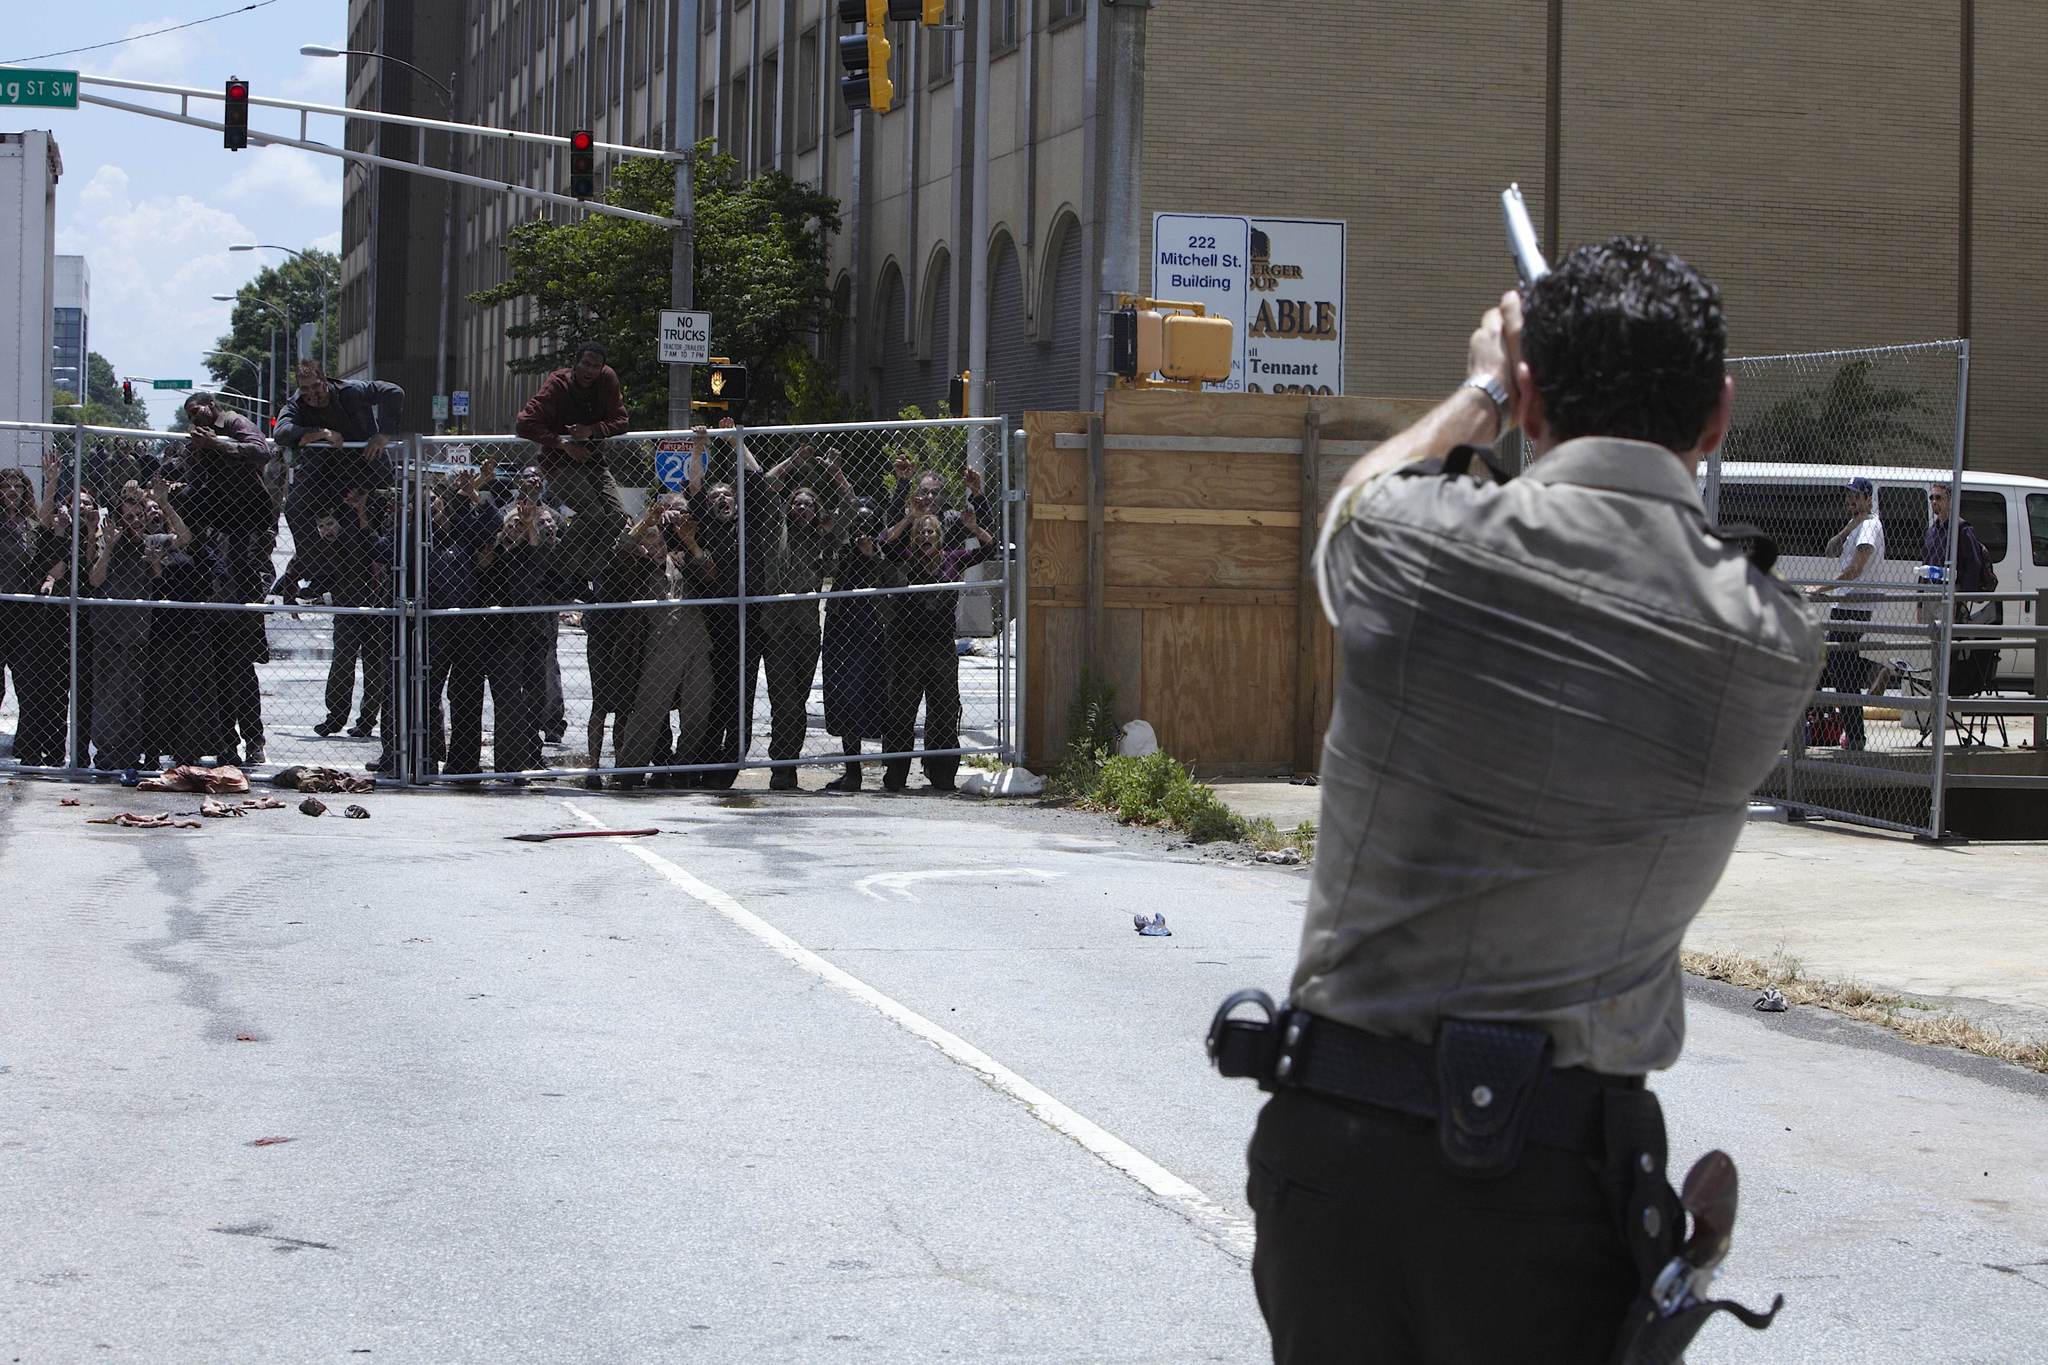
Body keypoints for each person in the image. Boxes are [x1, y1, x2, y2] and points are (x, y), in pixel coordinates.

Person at [1226, 238, 1821, 1363]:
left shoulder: (1409, 541)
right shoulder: (1767, 642)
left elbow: (1344, 515)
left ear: (1534, 395)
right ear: (1718, 417)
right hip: (1560, 1179)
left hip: (1341, 1161)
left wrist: (1480, 391)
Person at [177, 392, 277, 764]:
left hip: (245, 548)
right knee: (214, 666)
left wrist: (217, 442)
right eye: (189, 414)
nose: (195, 417)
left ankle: (254, 741)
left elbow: (261, 449)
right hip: (213, 555)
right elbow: (190, 485)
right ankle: (224, 745)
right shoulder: (197, 446)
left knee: (240, 663)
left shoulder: (232, 424)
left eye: (198, 409)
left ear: (212, 405)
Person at [879, 506, 996, 792]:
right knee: (902, 710)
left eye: (931, 532)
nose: (925, 537)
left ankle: (941, 773)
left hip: (941, 646)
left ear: (940, 537)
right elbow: (886, 545)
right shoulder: (907, 560)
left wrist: (974, 527)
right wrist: (908, 518)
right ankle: (896, 774)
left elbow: (989, 549)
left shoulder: (952, 560)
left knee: (944, 709)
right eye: (920, 533)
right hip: (909, 647)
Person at [89, 480, 190, 776]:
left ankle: (130, 754)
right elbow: (95, 580)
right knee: (108, 697)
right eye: (128, 517)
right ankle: (107, 754)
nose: (133, 522)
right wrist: (107, 547)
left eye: (138, 517)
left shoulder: (151, 542)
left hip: (137, 630)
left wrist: (165, 504)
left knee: (133, 696)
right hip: (108, 629)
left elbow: (184, 537)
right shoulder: (108, 540)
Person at [513, 340, 631, 591]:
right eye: (586, 364)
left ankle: (582, 576)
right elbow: (524, 423)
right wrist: (563, 444)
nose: (590, 371)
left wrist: (592, 431)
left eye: (596, 366)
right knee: (593, 512)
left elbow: (621, 420)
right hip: (558, 463)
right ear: (575, 362)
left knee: (618, 515)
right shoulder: (557, 384)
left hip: (594, 461)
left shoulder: (608, 380)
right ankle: (556, 572)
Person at [274, 360, 404, 552]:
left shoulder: (351, 391)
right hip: (327, 476)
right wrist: (321, 433)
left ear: (324, 380)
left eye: (315, 386)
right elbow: (281, 432)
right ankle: (315, 569)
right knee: (295, 506)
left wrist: (383, 435)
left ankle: (365, 575)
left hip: (366, 472)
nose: (311, 393)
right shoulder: (296, 404)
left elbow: (393, 392)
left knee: (357, 533)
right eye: (305, 388)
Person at [584, 509, 669, 789]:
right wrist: (644, 523)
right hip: (604, 636)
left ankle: (622, 764)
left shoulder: (645, 563)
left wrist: (651, 548)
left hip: (631, 639)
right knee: (601, 704)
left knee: (625, 706)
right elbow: (623, 547)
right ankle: (593, 765)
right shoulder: (607, 553)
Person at [1809, 476, 1886, 751]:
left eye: (1857, 496)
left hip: (1854, 605)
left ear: (1868, 499)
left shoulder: (1869, 528)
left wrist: (1823, 587)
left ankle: (1855, 733)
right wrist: (1845, 531)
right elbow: (1831, 549)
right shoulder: (1858, 526)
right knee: (1844, 668)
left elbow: (1856, 568)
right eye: (1848, 495)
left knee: (1842, 667)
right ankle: (1853, 734)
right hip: (1845, 604)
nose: (1851, 500)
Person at [820, 502, 891, 792]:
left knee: (875, 698)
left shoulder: (881, 554)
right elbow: (828, 566)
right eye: (857, 527)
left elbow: (892, 577)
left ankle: (893, 769)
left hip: (871, 633)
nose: (862, 533)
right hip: (840, 631)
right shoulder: (844, 552)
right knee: (844, 700)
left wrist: (873, 556)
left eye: (868, 527)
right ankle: (852, 771)